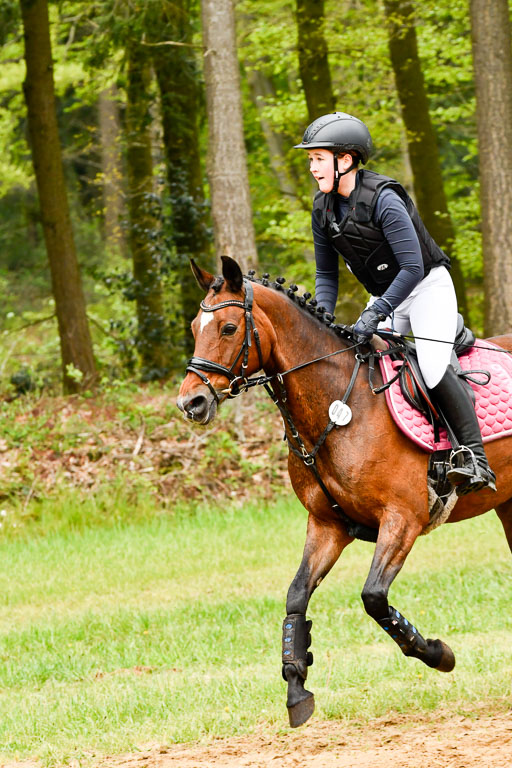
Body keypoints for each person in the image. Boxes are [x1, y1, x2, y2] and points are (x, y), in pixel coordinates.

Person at [294, 111, 496, 496]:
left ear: (346, 160)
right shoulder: (322, 209)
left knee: (434, 370)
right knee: (359, 360)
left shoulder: (384, 199)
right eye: (310, 159)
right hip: (388, 295)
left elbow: (412, 266)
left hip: (426, 288)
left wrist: (375, 313)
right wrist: (320, 319)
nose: (312, 167)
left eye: (319, 158)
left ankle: (475, 458)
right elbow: (326, 276)